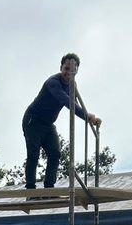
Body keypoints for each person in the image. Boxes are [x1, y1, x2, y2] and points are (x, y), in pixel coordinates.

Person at [22, 52, 102, 190]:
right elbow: (67, 102)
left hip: (48, 125)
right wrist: (88, 115)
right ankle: (30, 191)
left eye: (73, 70)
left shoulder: (72, 85)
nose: (68, 73)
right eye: (66, 69)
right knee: (33, 154)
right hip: (33, 121)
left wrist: (89, 119)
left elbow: (75, 105)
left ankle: (49, 188)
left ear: (76, 71)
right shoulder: (53, 82)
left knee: (55, 153)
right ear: (61, 68)